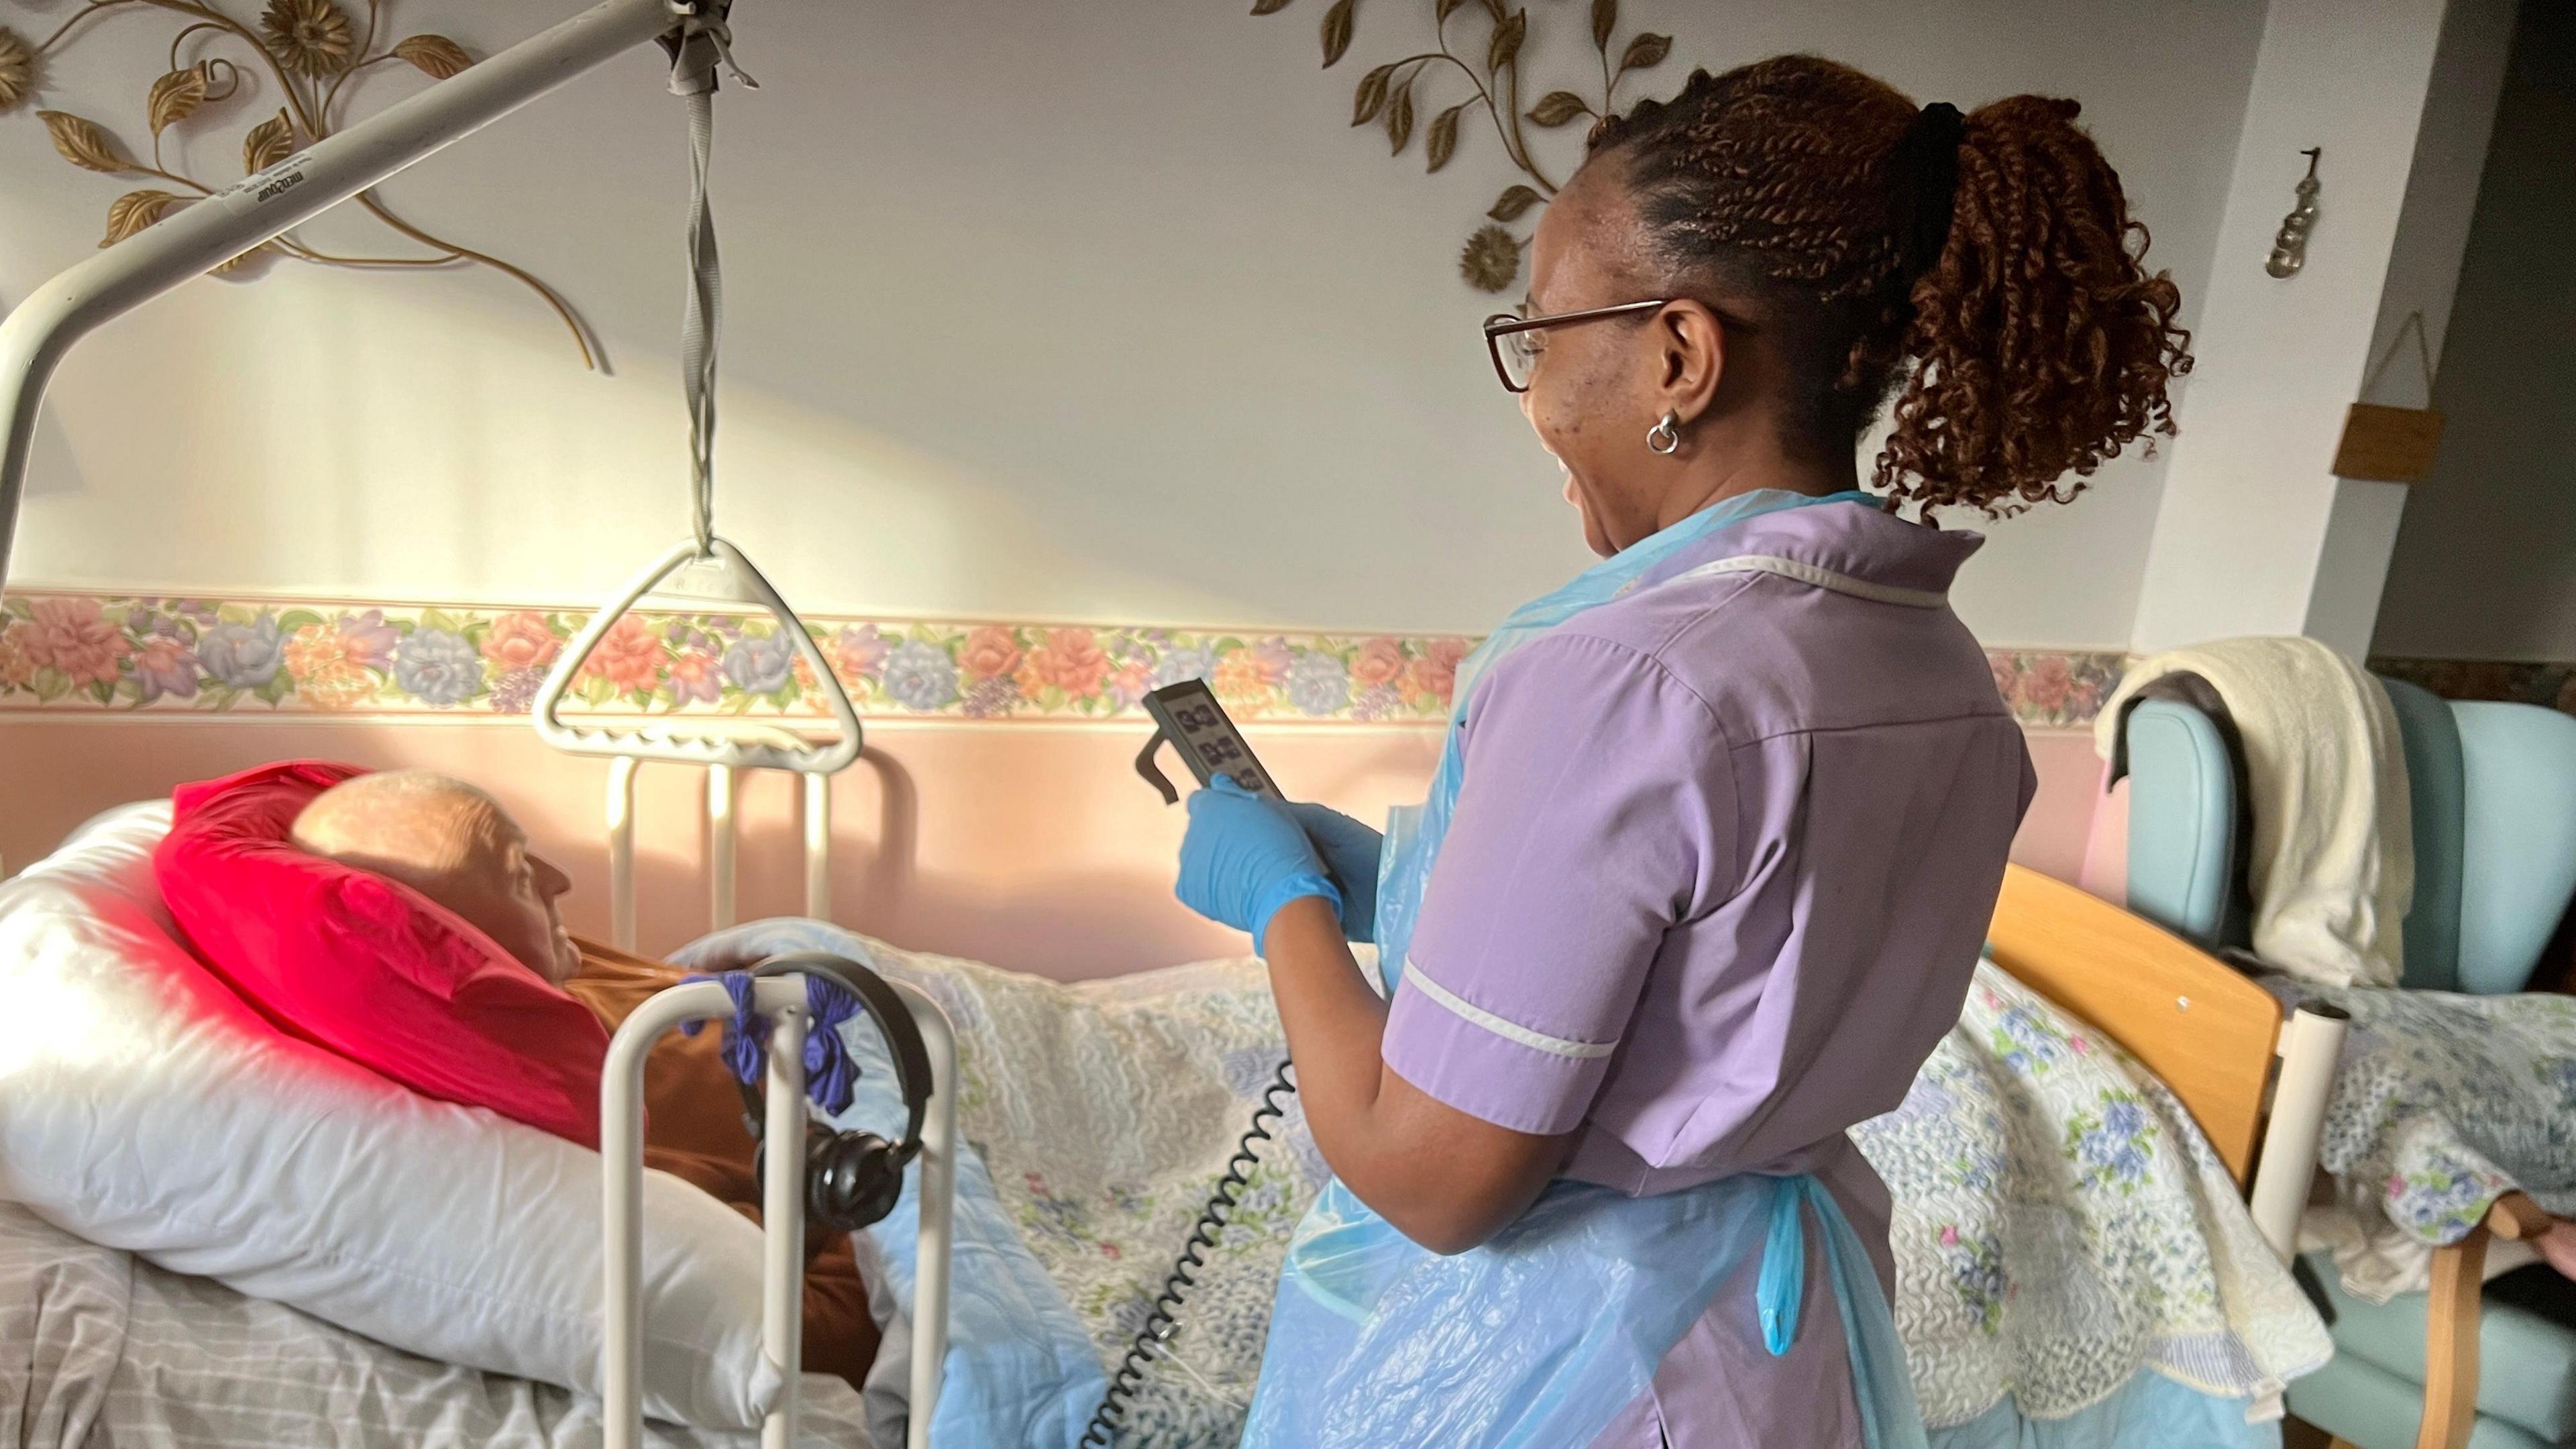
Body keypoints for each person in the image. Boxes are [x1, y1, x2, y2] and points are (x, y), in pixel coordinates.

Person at [1171, 56, 2186, 1447]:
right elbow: (1715, 954)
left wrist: (1277, 907)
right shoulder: (1934, 667)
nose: (1533, 394)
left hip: (1576, 1371)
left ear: (1678, 358)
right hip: (1774, 1353)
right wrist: (1400, 878)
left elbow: (1434, 1176)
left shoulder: (1622, 675)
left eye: (1542, 340)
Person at [288, 769, 883, 1391]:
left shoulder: (559, 966)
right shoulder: (582, 1127)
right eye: (519, 874)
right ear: (450, 940)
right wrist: (875, 1204)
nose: (559, 881)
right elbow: (828, 1329)